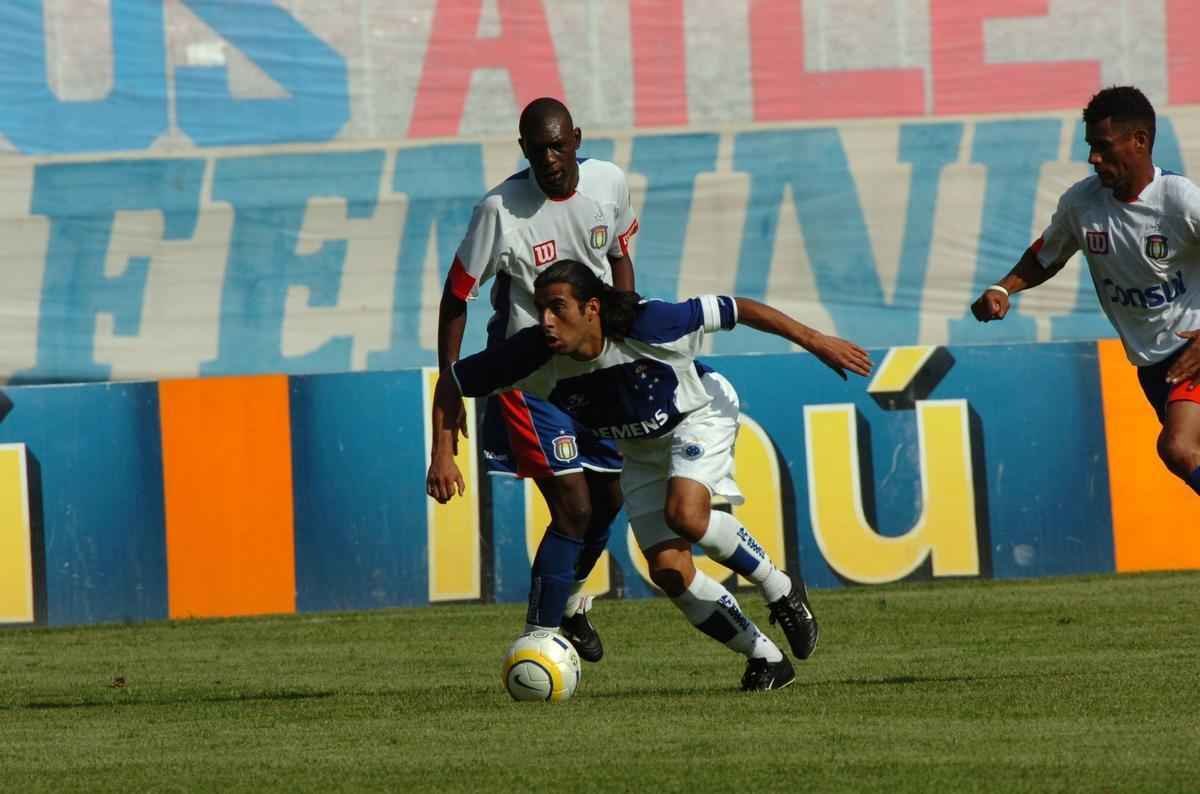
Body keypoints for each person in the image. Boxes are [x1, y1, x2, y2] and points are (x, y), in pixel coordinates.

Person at [427, 260, 873, 691]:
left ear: (592, 308)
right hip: (639, 447)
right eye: (541, 307)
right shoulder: (529, 354)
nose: (545, 320)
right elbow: (453, 381)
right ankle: (766, 659)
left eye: (557, 307)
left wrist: (815, 340)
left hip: (700, 413)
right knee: (670, 571)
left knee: (685, 514)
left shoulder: (648, 323)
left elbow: (739, 309)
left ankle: (781, 586)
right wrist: (443, 452)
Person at [436, 97, 639, 661]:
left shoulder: (609, 183)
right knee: (572, 507)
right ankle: (538, 641)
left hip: (593, 372)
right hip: (525, 378)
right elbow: (456, 299)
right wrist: (450, 393)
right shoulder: (500, 209)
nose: (549, 159)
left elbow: (621, 252)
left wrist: (623, 322)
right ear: (522, 149)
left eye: (558, 145)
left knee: (609, 500)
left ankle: (568, 604)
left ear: (576, 138)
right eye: (537, 149)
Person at [970, 85, 1200, 496]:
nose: (1094, 158)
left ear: (1139, 141)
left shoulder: (1179, 201)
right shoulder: (1082, 204)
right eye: (1090, 146)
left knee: (1179, 447)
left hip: (1192, 348)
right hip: (1151, 366)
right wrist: (1002, 289)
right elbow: (1045, 255)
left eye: (1102, 146)